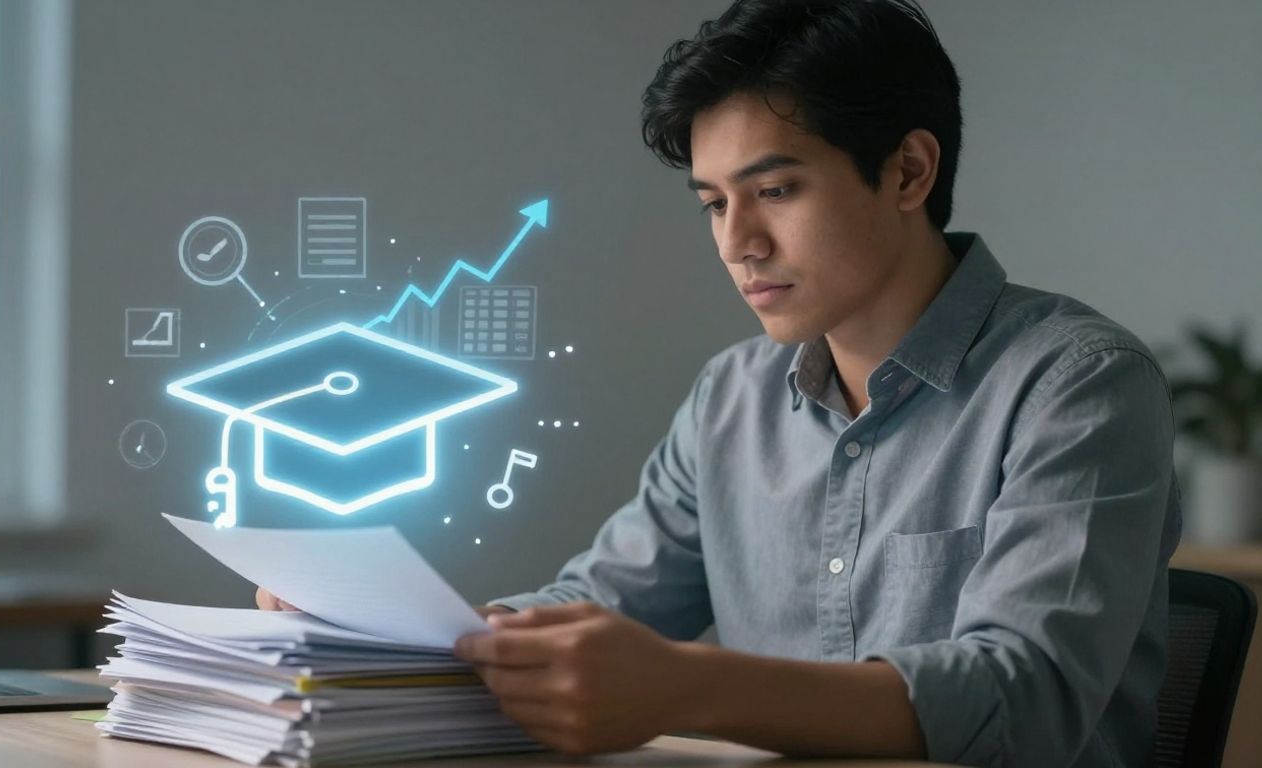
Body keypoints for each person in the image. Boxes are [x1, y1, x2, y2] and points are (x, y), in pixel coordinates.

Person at [260, 1, 1180, 765]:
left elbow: (1025, 702)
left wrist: (692, 684)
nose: (737, 241)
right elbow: (600, 605)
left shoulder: (1078, 383)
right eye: (713, 203)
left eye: (775, 190)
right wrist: (401, 637)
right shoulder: (733, 394)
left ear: (908, 170)